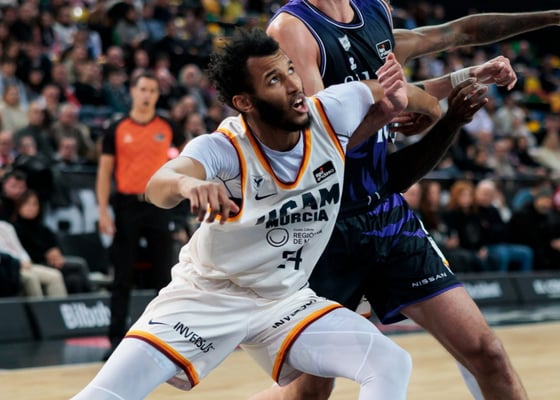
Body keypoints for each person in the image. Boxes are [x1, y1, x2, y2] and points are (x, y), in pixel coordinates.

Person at [70, 27, 481, 400]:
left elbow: (397, 91)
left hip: (284, 301)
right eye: (274, 80)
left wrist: (424, 109)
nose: (294, 85)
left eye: (290, 70)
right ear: (243, 102)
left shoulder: (332, 109)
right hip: (207, 297)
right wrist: (189, 185)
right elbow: (159, 184)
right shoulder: (225, 148)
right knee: (102, 396)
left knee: (390, 362)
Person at [255, 1, 558, 399]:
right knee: (310, 390)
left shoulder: (375, 10)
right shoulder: (292, 30)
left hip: (385, 213)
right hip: (324, 226)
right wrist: (392, 112)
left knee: (487, 352)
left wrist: (470, 73)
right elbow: (320, 147)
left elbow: (456, 34)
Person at [97, 70, 187, 360]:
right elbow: (104, 172)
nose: (147, 95)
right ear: (133, 92)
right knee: (122, 275)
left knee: (163, 274)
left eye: (152, 90)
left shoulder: (168, 126)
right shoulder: (117, 128)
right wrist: (103, 211)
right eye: (143, 89)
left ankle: (164, 338)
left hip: (159, 204)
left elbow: (188, 158)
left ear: (157, 95)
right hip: (127, 206)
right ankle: (115, 340)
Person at [12, 189, 92, 294]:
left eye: (34, 204)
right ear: (19, 206)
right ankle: (92, 295)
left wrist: (56, 252)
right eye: (27, 204)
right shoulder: (14, 228)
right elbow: (20, 250)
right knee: (78, 265)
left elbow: (54, 244)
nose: (31, 208)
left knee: (76, 276)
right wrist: (46, 255)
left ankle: (90, 298)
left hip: (53, 262)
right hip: (36, 263)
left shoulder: (43, 228)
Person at [0, 219, 67, 298]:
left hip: (24, 264)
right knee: (31, 278)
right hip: (10, 267)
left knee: (55, 276)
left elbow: (19, 249)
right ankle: (39, 306)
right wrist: (17, 263)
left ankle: (59, 305)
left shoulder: (6, 226)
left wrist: (26, 260)